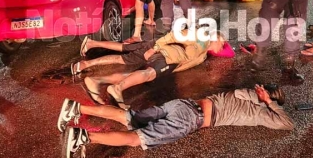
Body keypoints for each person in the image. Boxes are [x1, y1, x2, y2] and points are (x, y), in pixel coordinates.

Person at [56, 83, 293, 158]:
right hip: (190, 119)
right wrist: (270, 104)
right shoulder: (259, 111)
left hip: (182, 105)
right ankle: (84, 137)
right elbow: (287, 124)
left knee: (130, 117)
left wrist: (262, 96)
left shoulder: (244, 93)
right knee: (137, 138)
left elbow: (253, 94)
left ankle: (76, 108)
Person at [72, 30, 231, 108]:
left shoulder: (203, 54)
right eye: (221, 42)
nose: (222, 46)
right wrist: (155, 48)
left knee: (131, 69)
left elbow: (228, 52)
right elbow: (174, 35)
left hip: (169, 61)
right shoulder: (200, 37)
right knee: (137, 66)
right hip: (164, 54)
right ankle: (115, 88)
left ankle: (98, 80)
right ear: (215, 37)